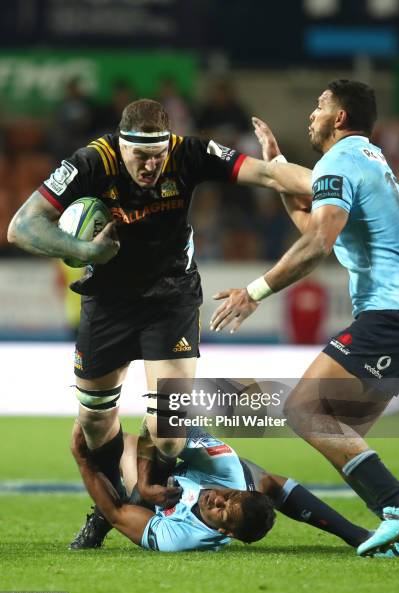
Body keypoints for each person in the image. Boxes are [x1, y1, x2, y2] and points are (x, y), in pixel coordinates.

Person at [6, 98, 297, 548]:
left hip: (171, 299)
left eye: (158, 155)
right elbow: (21, 227)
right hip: (108, 303)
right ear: (121, 146)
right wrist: (85, 252)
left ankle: (157, 495)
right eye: (141, 156)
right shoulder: (91, 161)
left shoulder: (189, 153)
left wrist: (336, 184)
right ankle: (113, 503)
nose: (151, 165)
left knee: (169, 436)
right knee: (96, 425)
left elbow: (268, 174)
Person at [209, 79, 399, 557]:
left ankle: (398, 509)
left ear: (341, 117)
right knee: (342, 427)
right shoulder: (368, 161)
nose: (311, 114)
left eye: (320, 105)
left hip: (391, 314)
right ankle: (398, 525)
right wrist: (277, 168)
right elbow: (317, 227)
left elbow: (317, 243)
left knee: (304, 410)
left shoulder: (340, 161)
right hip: (395, 316)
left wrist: (254, 291)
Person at [70, 422, 372, 553]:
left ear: (226, 533)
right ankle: (355, 535)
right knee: (264, 479)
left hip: (153, 502)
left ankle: (96, 526)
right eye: (228, 498)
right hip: (194, 467)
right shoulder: (228, 471)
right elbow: (161, 424)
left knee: (124, 451)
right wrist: (150, 478)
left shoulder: (182, 537)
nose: (216, 500)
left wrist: (83, 459)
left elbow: (119, 513)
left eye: (223, 513)